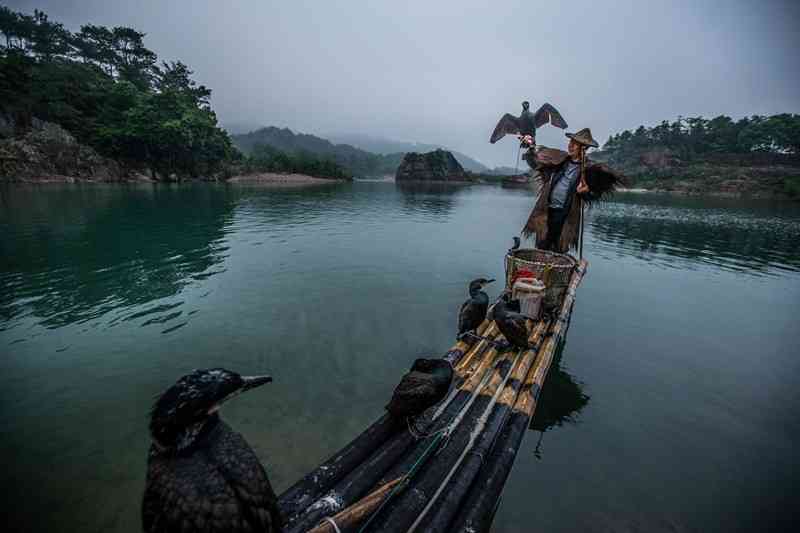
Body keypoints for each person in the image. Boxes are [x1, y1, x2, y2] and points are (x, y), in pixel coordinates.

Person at [521, 128, 622, 253]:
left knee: (558, 247)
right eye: (570, 143)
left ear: (583, 148)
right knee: (543, 244)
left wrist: (585, 192)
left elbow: (594, 196)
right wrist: (531, 145)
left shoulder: (589, 171)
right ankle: (541, 268)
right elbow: (536, 162)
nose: (570, 146)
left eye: (574, 144)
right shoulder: (559, 161)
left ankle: (557, 270)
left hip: (566, 214)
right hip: (547, 210)